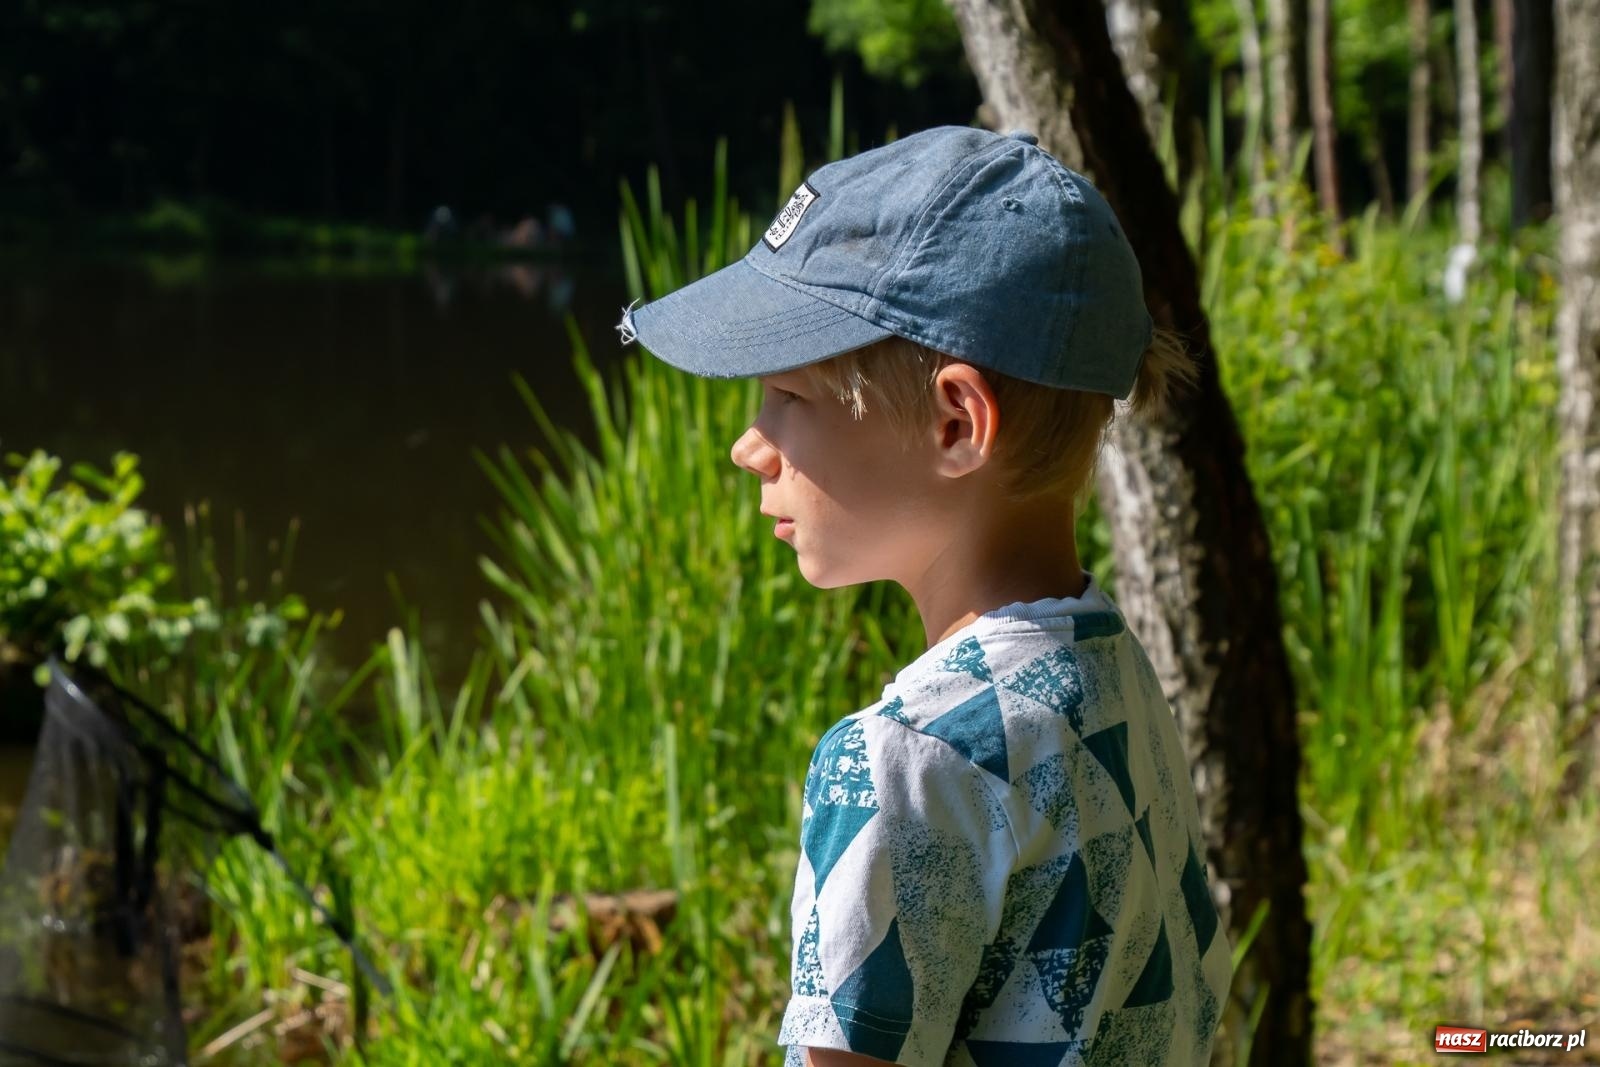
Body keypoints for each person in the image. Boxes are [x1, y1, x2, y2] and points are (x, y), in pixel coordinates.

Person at [616, 125, 1232, 1067]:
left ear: (956, 423)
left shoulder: (906, 760)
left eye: (787, 395)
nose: (750, 445)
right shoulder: (1113, 677)